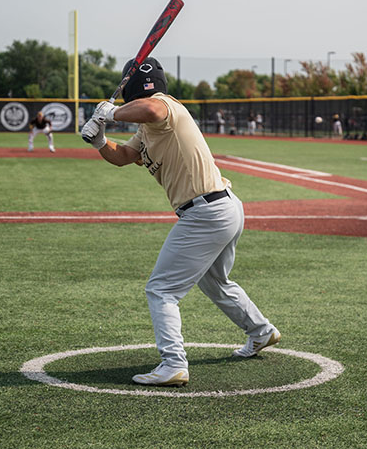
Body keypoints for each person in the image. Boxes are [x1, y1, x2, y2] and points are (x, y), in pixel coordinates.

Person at [80, 57, 280, 386]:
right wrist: (101, 141)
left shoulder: (164, 107)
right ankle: (261, 331)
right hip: (223, 208)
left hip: (206, 212)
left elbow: (152, 110)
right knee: (215, 282)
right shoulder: (146, 130)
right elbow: (124, 157)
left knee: (161, 289)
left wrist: (110, 113)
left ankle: (173, 363)